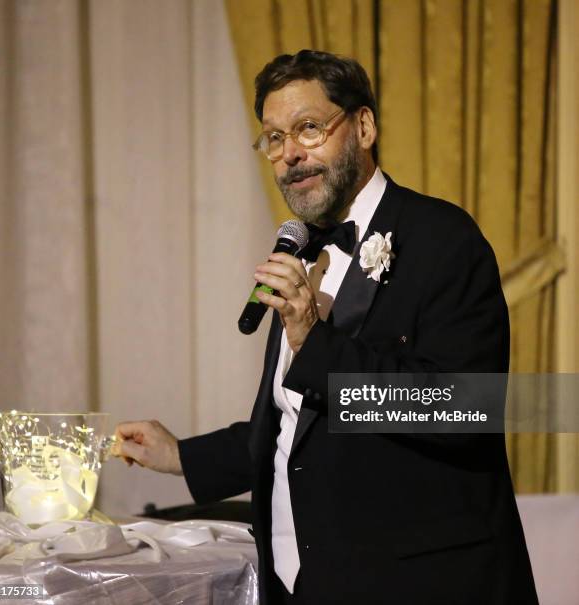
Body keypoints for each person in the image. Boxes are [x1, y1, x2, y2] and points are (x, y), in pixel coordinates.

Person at [113, 50, 539, 605]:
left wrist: (317, 344)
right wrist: (181, 457)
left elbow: (463, 410)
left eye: (308, 129)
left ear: (363, 126)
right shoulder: (305, 252)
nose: (290, 153)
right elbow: (300, 430)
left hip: (419, 586)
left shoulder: (443, 239)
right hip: (300, 585)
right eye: (273, 138)